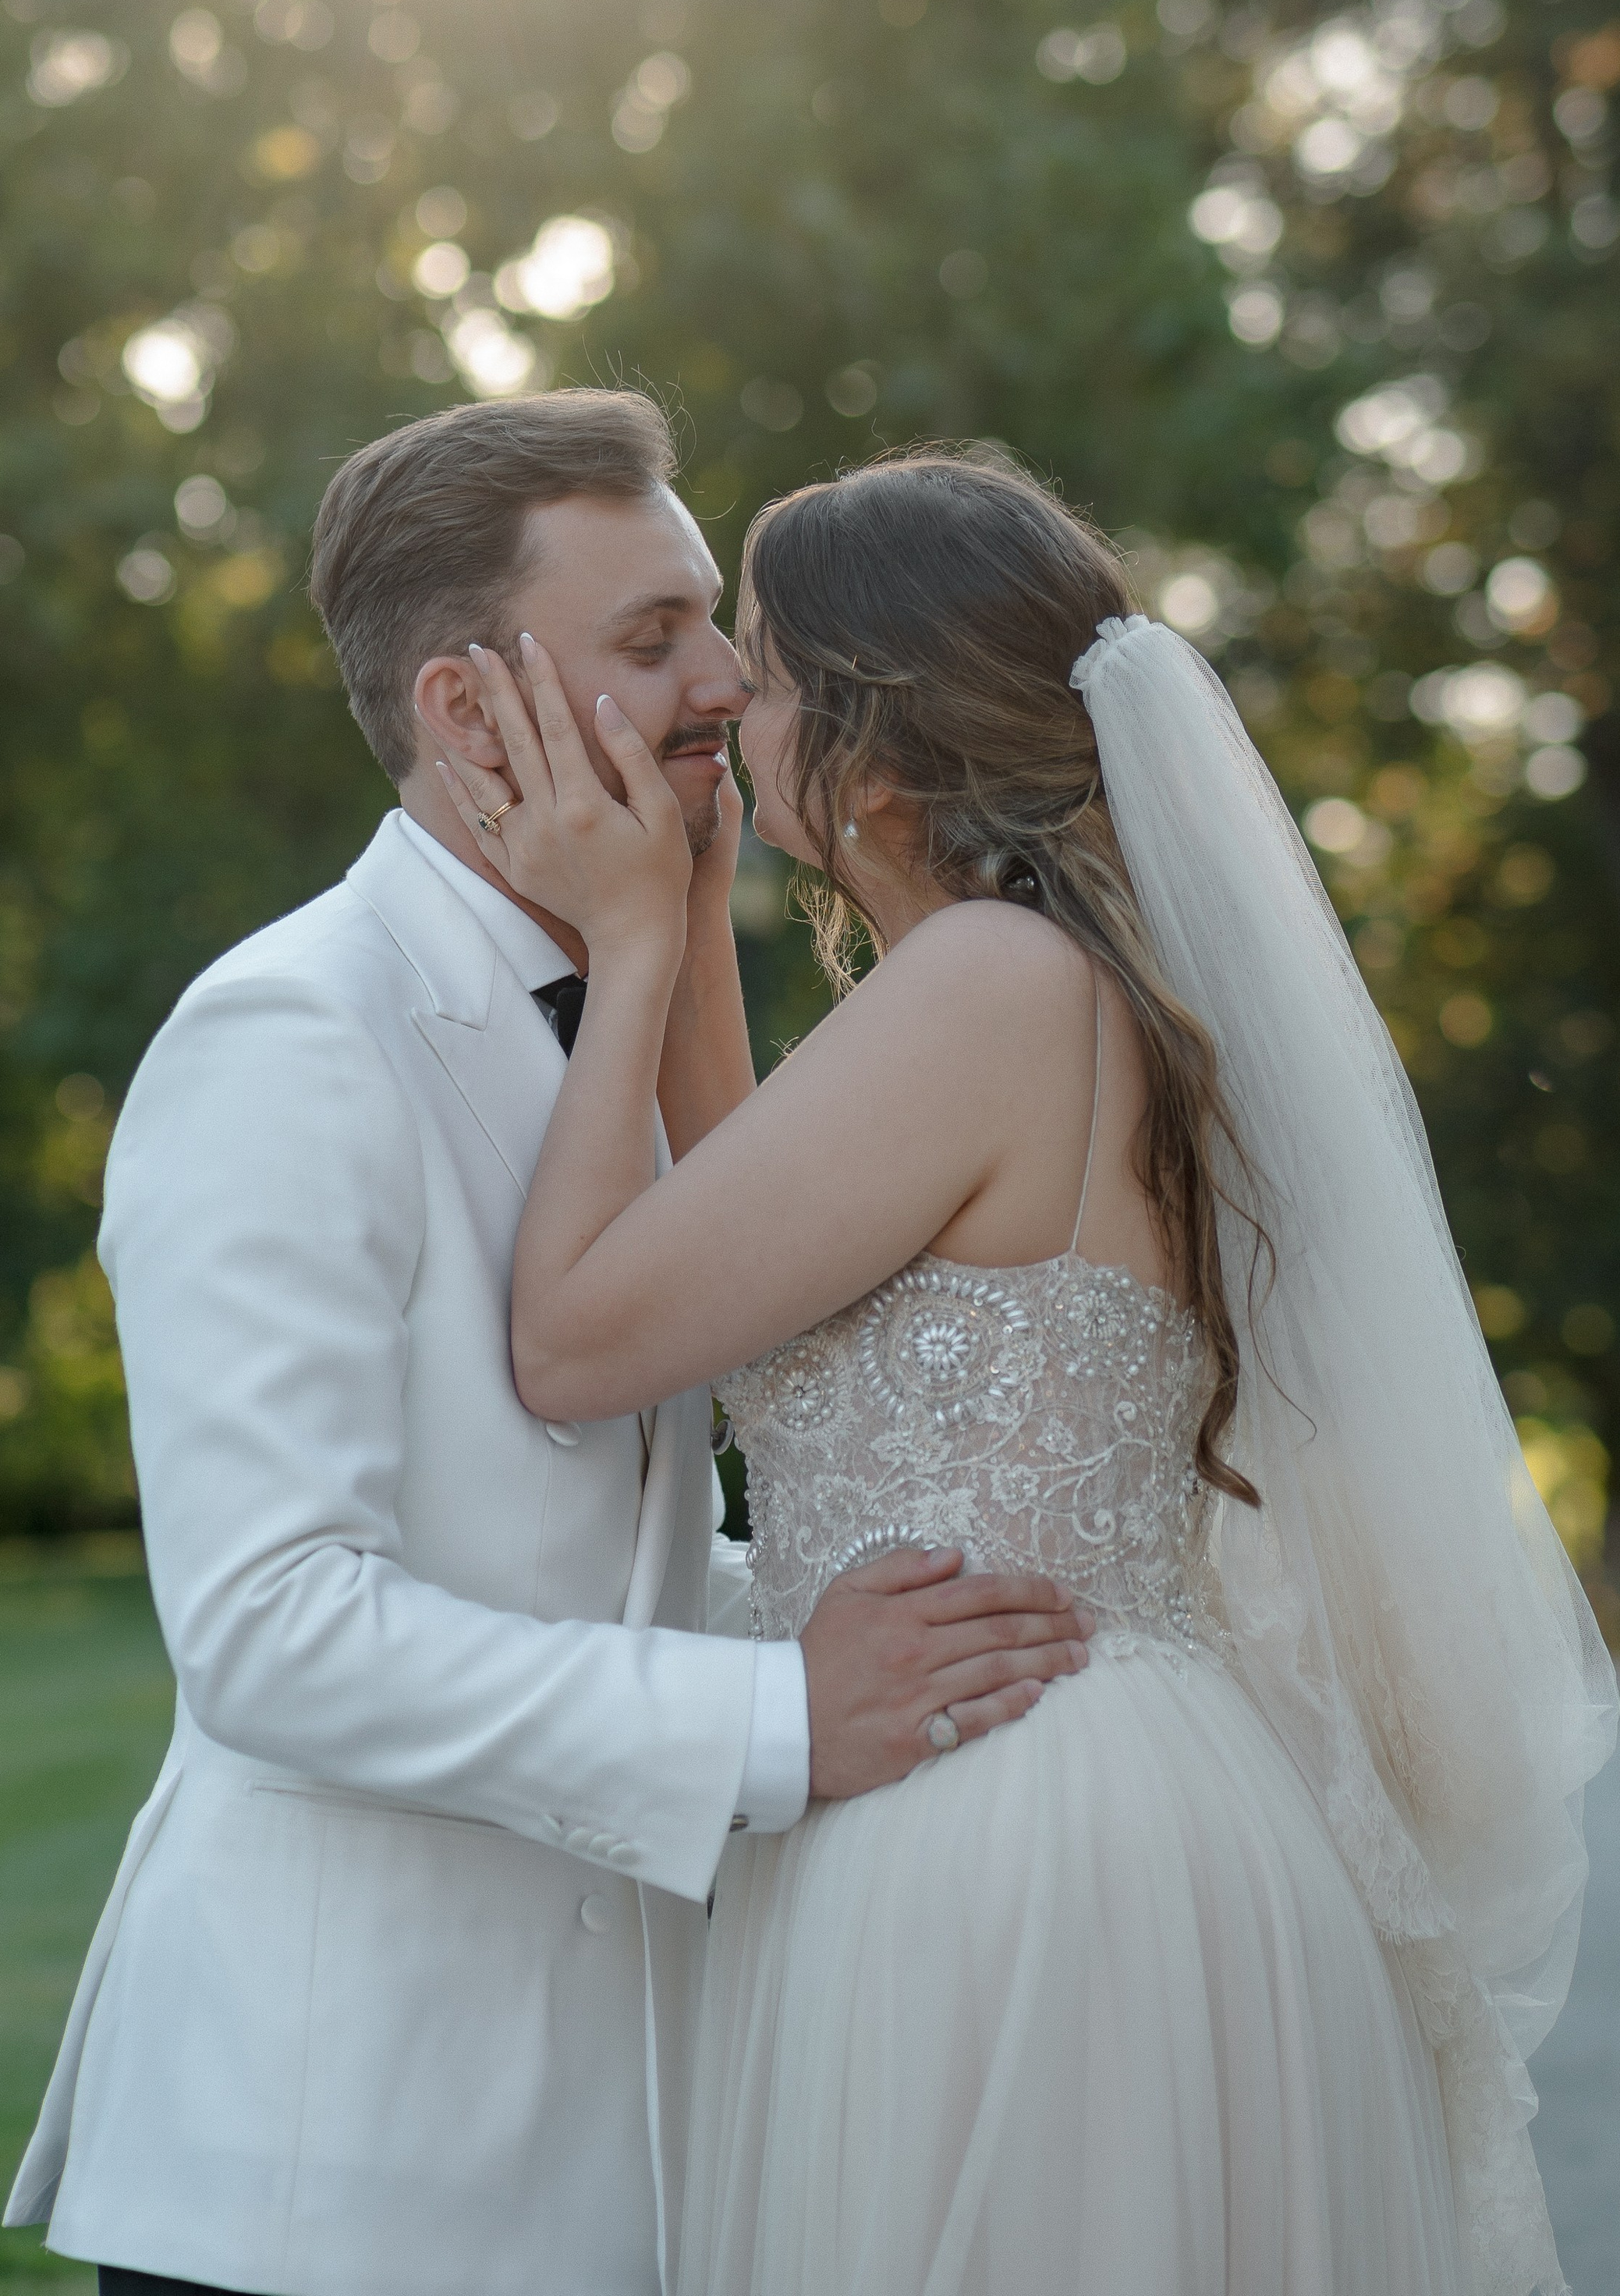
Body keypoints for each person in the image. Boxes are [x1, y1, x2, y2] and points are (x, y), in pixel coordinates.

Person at [438, 445, 1618, 2296]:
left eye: (771, 661)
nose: (732, 698)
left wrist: (630, 935)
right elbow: (756, 1257)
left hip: (1004, 1836)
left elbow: (580, 1339)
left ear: (887, 743)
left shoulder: (983, 985)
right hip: (1100, 1789)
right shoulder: (1045, 980)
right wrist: (678, 914)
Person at [5, 395, 1092, 2296]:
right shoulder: (290, 1034)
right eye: (650, 637)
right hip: (331, 2174)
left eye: (711, 624)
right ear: (463, 708)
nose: (726, 682)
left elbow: (587, 1536)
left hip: (628, 2157)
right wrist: (781, 1716)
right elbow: (271, 1627)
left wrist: (906, 1604)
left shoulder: (627, 1009)